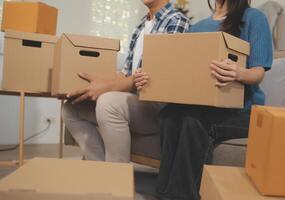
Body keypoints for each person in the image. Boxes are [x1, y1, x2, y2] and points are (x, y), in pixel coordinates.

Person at [134, 0, 273, 199]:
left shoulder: (253, 18)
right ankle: (163, 194)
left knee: (194, 119)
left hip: (244, 112)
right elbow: (185, 73)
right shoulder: (197, 28)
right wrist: (147, 77)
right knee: (168, 115)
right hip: (202, 106)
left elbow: (258, 72)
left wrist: (238, 73)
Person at [62, 0, 190, 162]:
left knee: (109, 102)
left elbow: (154, 76)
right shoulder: (140, 27)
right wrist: (92, 85)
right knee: (71, 108)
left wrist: (106, 88)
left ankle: (117, 177)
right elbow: (125, 74)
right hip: (135, 101)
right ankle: (101, 170)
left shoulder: (176, 21)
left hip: (158, 106)